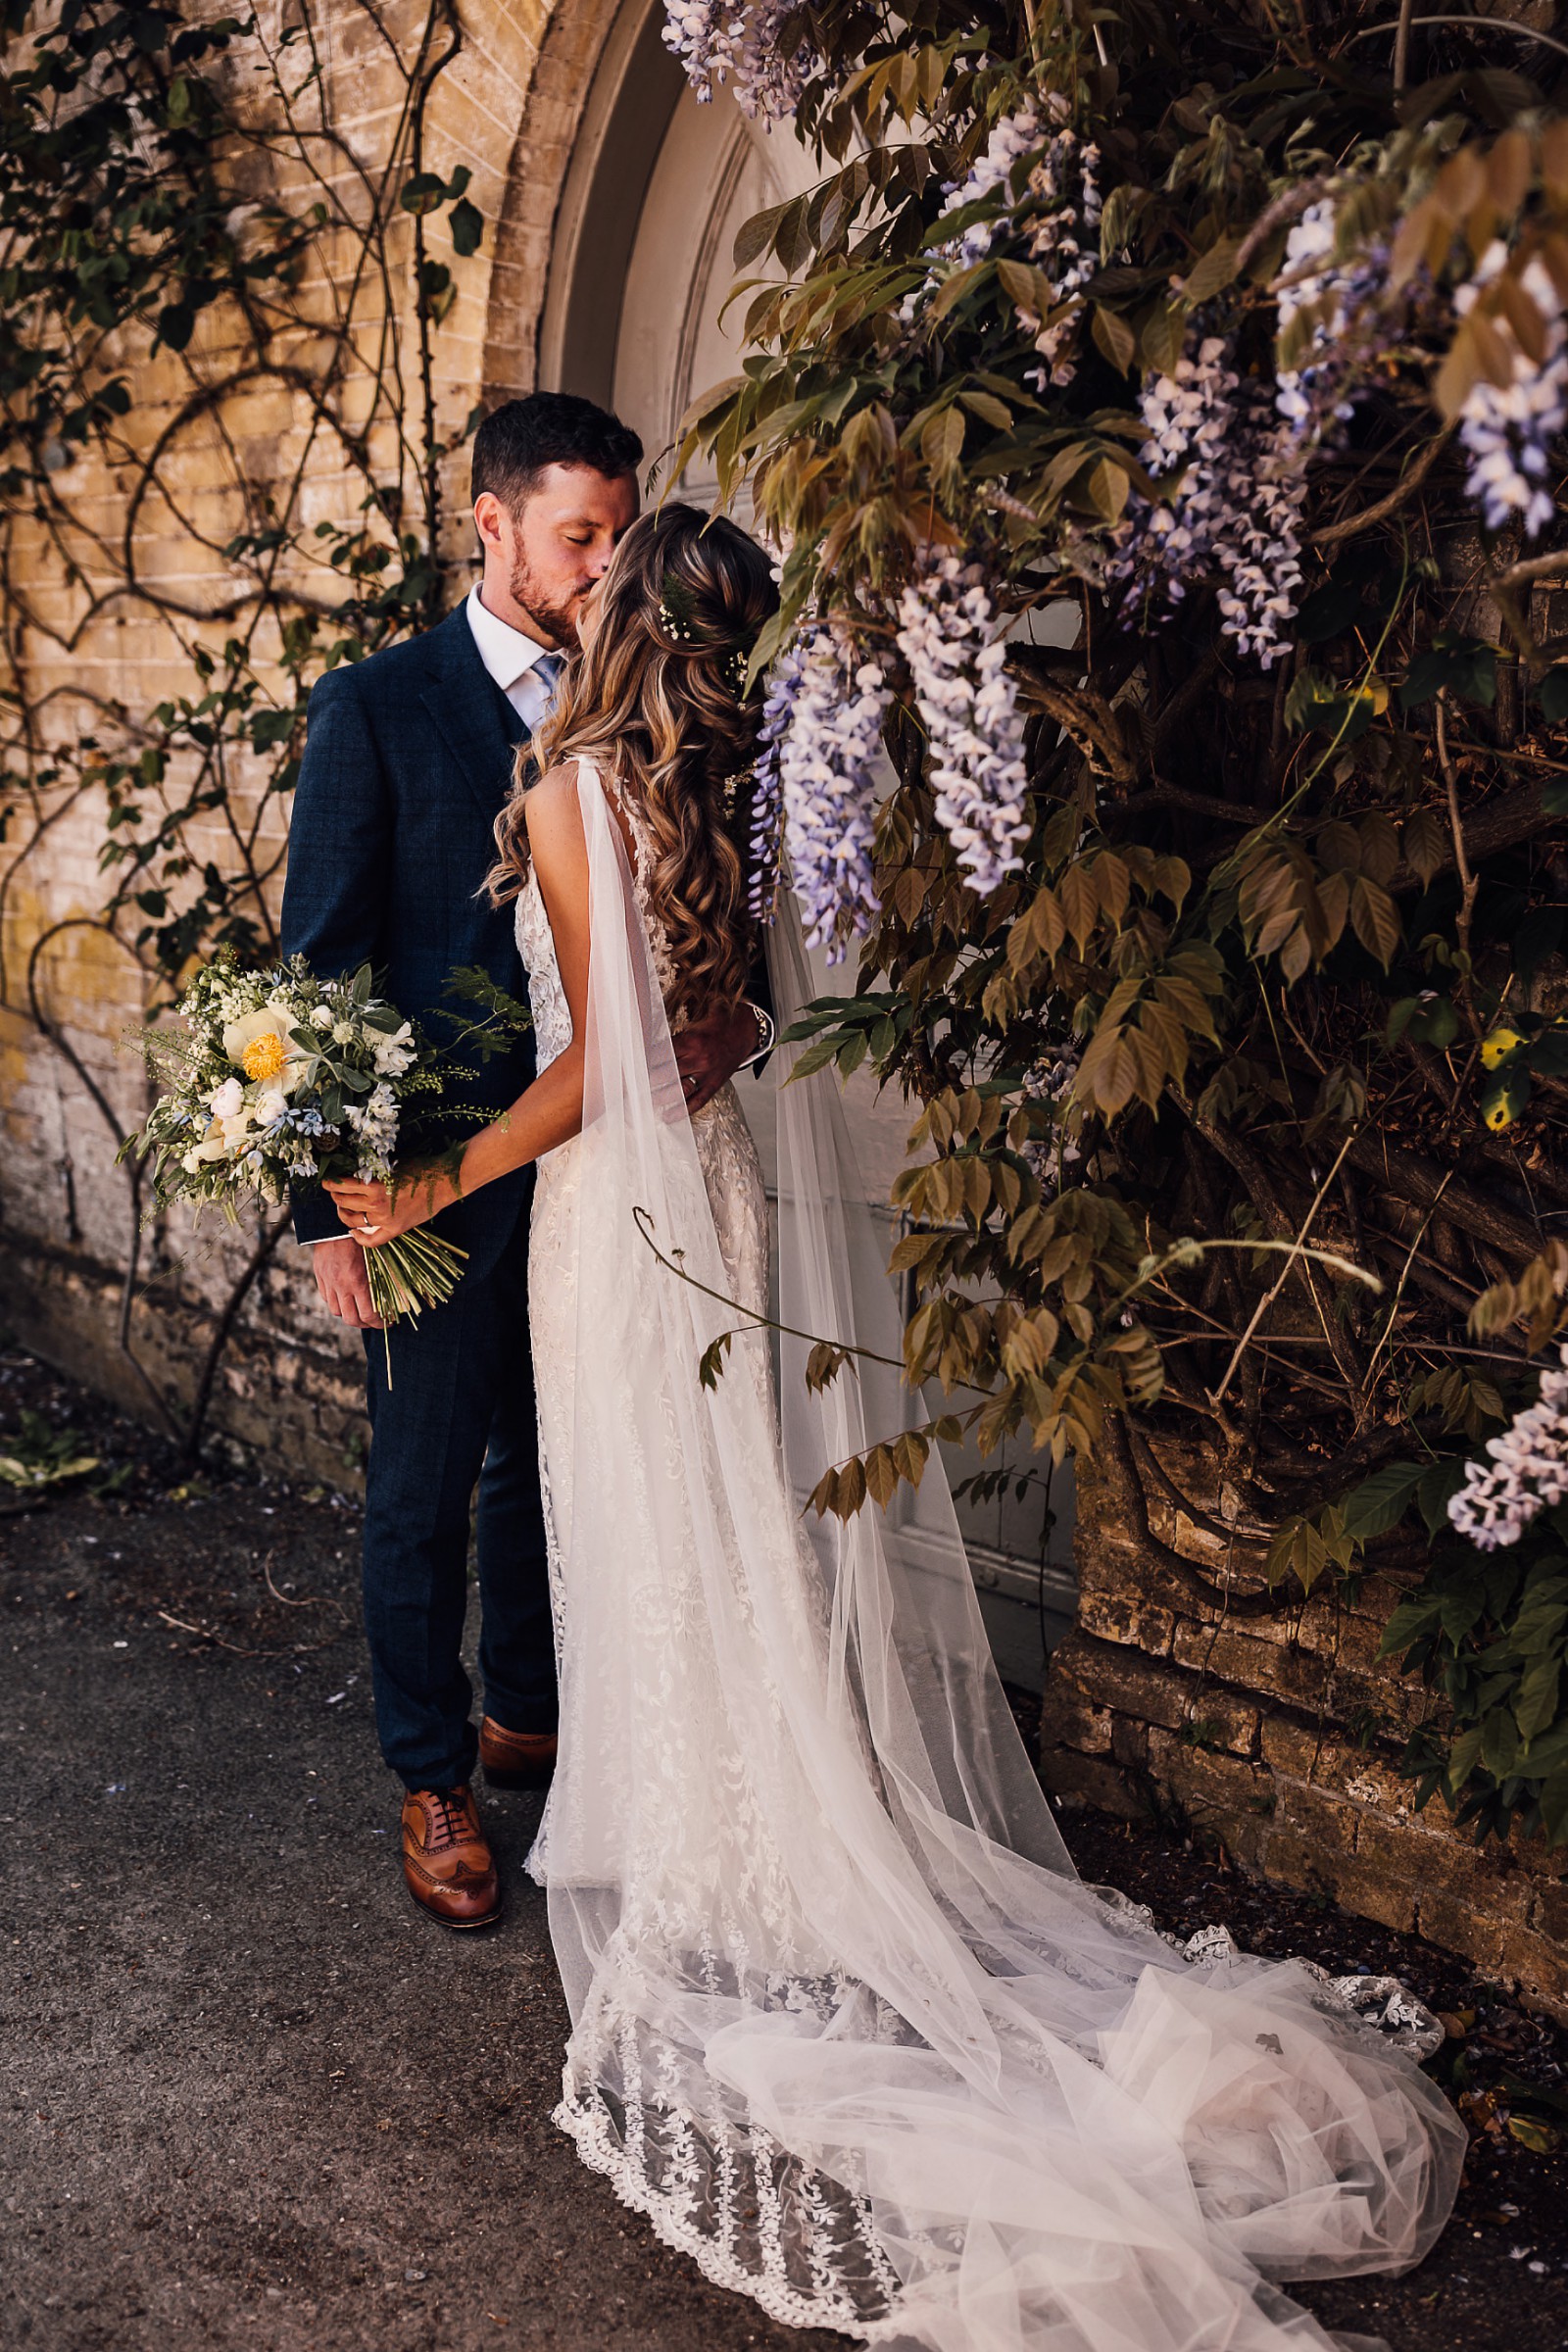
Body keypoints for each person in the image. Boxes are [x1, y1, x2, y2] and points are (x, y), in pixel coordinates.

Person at [325, 504, 1463, 2352]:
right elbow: (720, 1035)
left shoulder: (568, 793)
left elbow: (608, 1060)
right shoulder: (715, 790)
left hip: (614, 1215)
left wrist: (439, 1177)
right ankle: (727, 1804)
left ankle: (701, 1841)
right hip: (709, 1187)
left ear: (617, 623)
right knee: (706, 1506)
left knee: (641, 1507)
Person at [281, 395, 768, 1931]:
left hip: (605, 1187)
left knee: (553, 1472)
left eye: (620, 533)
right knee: (423, 1485)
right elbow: (316, 976)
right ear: (490, 524)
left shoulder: (665, 707)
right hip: (438, 1176)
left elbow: (727, 962)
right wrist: (327, 1214)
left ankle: (535, 1719)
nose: (604, 562)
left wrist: (729, 1039)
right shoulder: (376, 708)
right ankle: (432, 1777)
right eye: (579, 535)